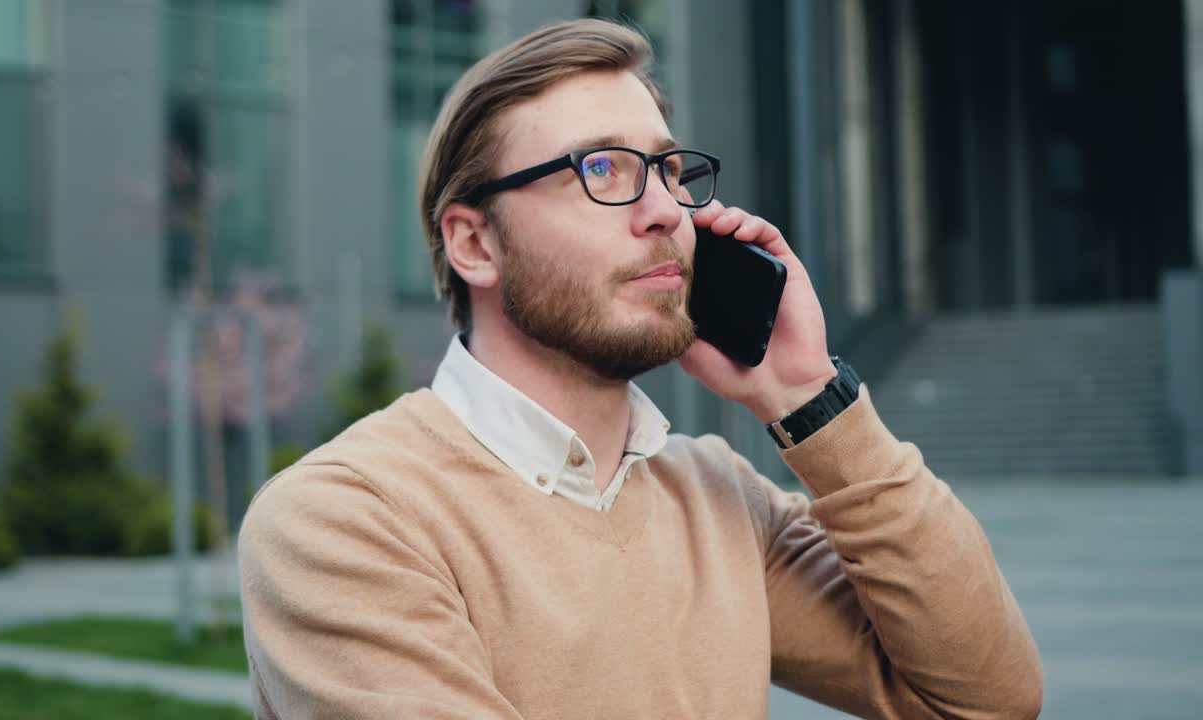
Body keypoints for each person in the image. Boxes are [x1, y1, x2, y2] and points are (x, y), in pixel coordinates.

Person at [238, 18, 1043, 720]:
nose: (665, 210)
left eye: (665, 170)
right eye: (602, 171)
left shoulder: (719, 498)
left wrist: (810, 400)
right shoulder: (343, 520)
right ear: (474, 244)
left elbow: (985, 698)